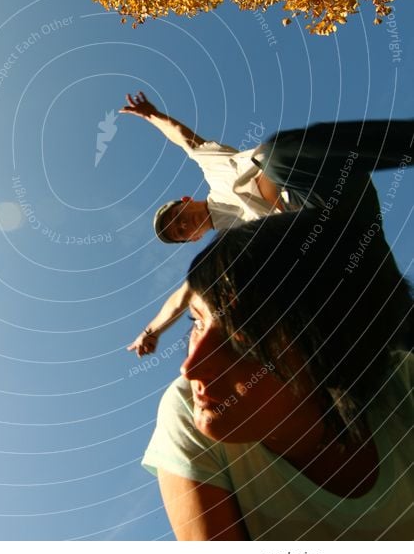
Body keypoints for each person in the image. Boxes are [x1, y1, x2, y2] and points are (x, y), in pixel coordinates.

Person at [142, 210, 414, 540]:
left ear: (328, 352)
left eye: (240, 340)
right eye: (197, 322)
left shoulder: (404, 388)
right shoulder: (187, 410)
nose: (191, 367)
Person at [122, 91, 413, 356]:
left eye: (178, 217)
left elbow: (183, 137)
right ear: (194, 239)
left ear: (185, 200)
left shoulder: (214, 167)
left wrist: (153, 115)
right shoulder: (229, 243)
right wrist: (151, 331)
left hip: (319, 183)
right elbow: (184, 294)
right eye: (181, 232)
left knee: (274, 155)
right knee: (352, 293)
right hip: (335, 228)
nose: (185, 224)